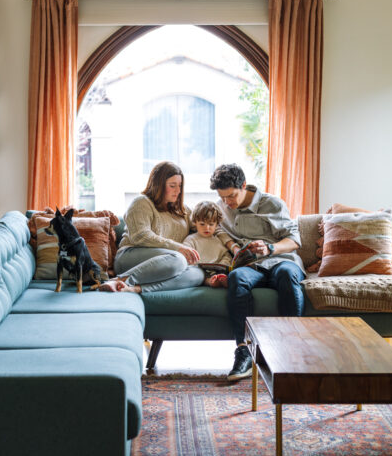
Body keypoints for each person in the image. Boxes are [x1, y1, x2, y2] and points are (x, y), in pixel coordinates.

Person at [209, 163, 305, 380]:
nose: (227, 202)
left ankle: (293, 351)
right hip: (251, 266)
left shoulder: (271, 204)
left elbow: (294, 240)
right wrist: (233, 247)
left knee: (287, 275)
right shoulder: (221, 207)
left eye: (231, 196)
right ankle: (244, 351)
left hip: (281, 259)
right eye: (222, 197)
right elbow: (218, 229)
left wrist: (270, 248)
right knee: (236, 277)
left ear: (244, 185)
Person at [99, 161, 205, 293]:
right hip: (131, 256)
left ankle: (135, 288)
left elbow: (206, 226)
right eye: (172, 186)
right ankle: (119, 280)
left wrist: (226, 242)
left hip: (166, 262)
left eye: (180, 185)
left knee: (198, 274)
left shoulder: (183, 210)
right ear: (159, 185)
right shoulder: (141, 202)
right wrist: (178, 247)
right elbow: (141, 236)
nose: (178, 191)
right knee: (178, 259)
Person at [183, 201, 232, 288]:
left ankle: (219, 279)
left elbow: (226, 255)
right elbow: (185, 255)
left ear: (217, 225)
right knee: (195, 273)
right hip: (198, 270)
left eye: (211, 224)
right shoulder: (191, 239)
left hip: (217, 270)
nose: (207, 228)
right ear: (195, 222)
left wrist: (223, 264)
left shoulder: (218, 240)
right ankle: (209, 281)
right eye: (202, 224)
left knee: (228, 273)